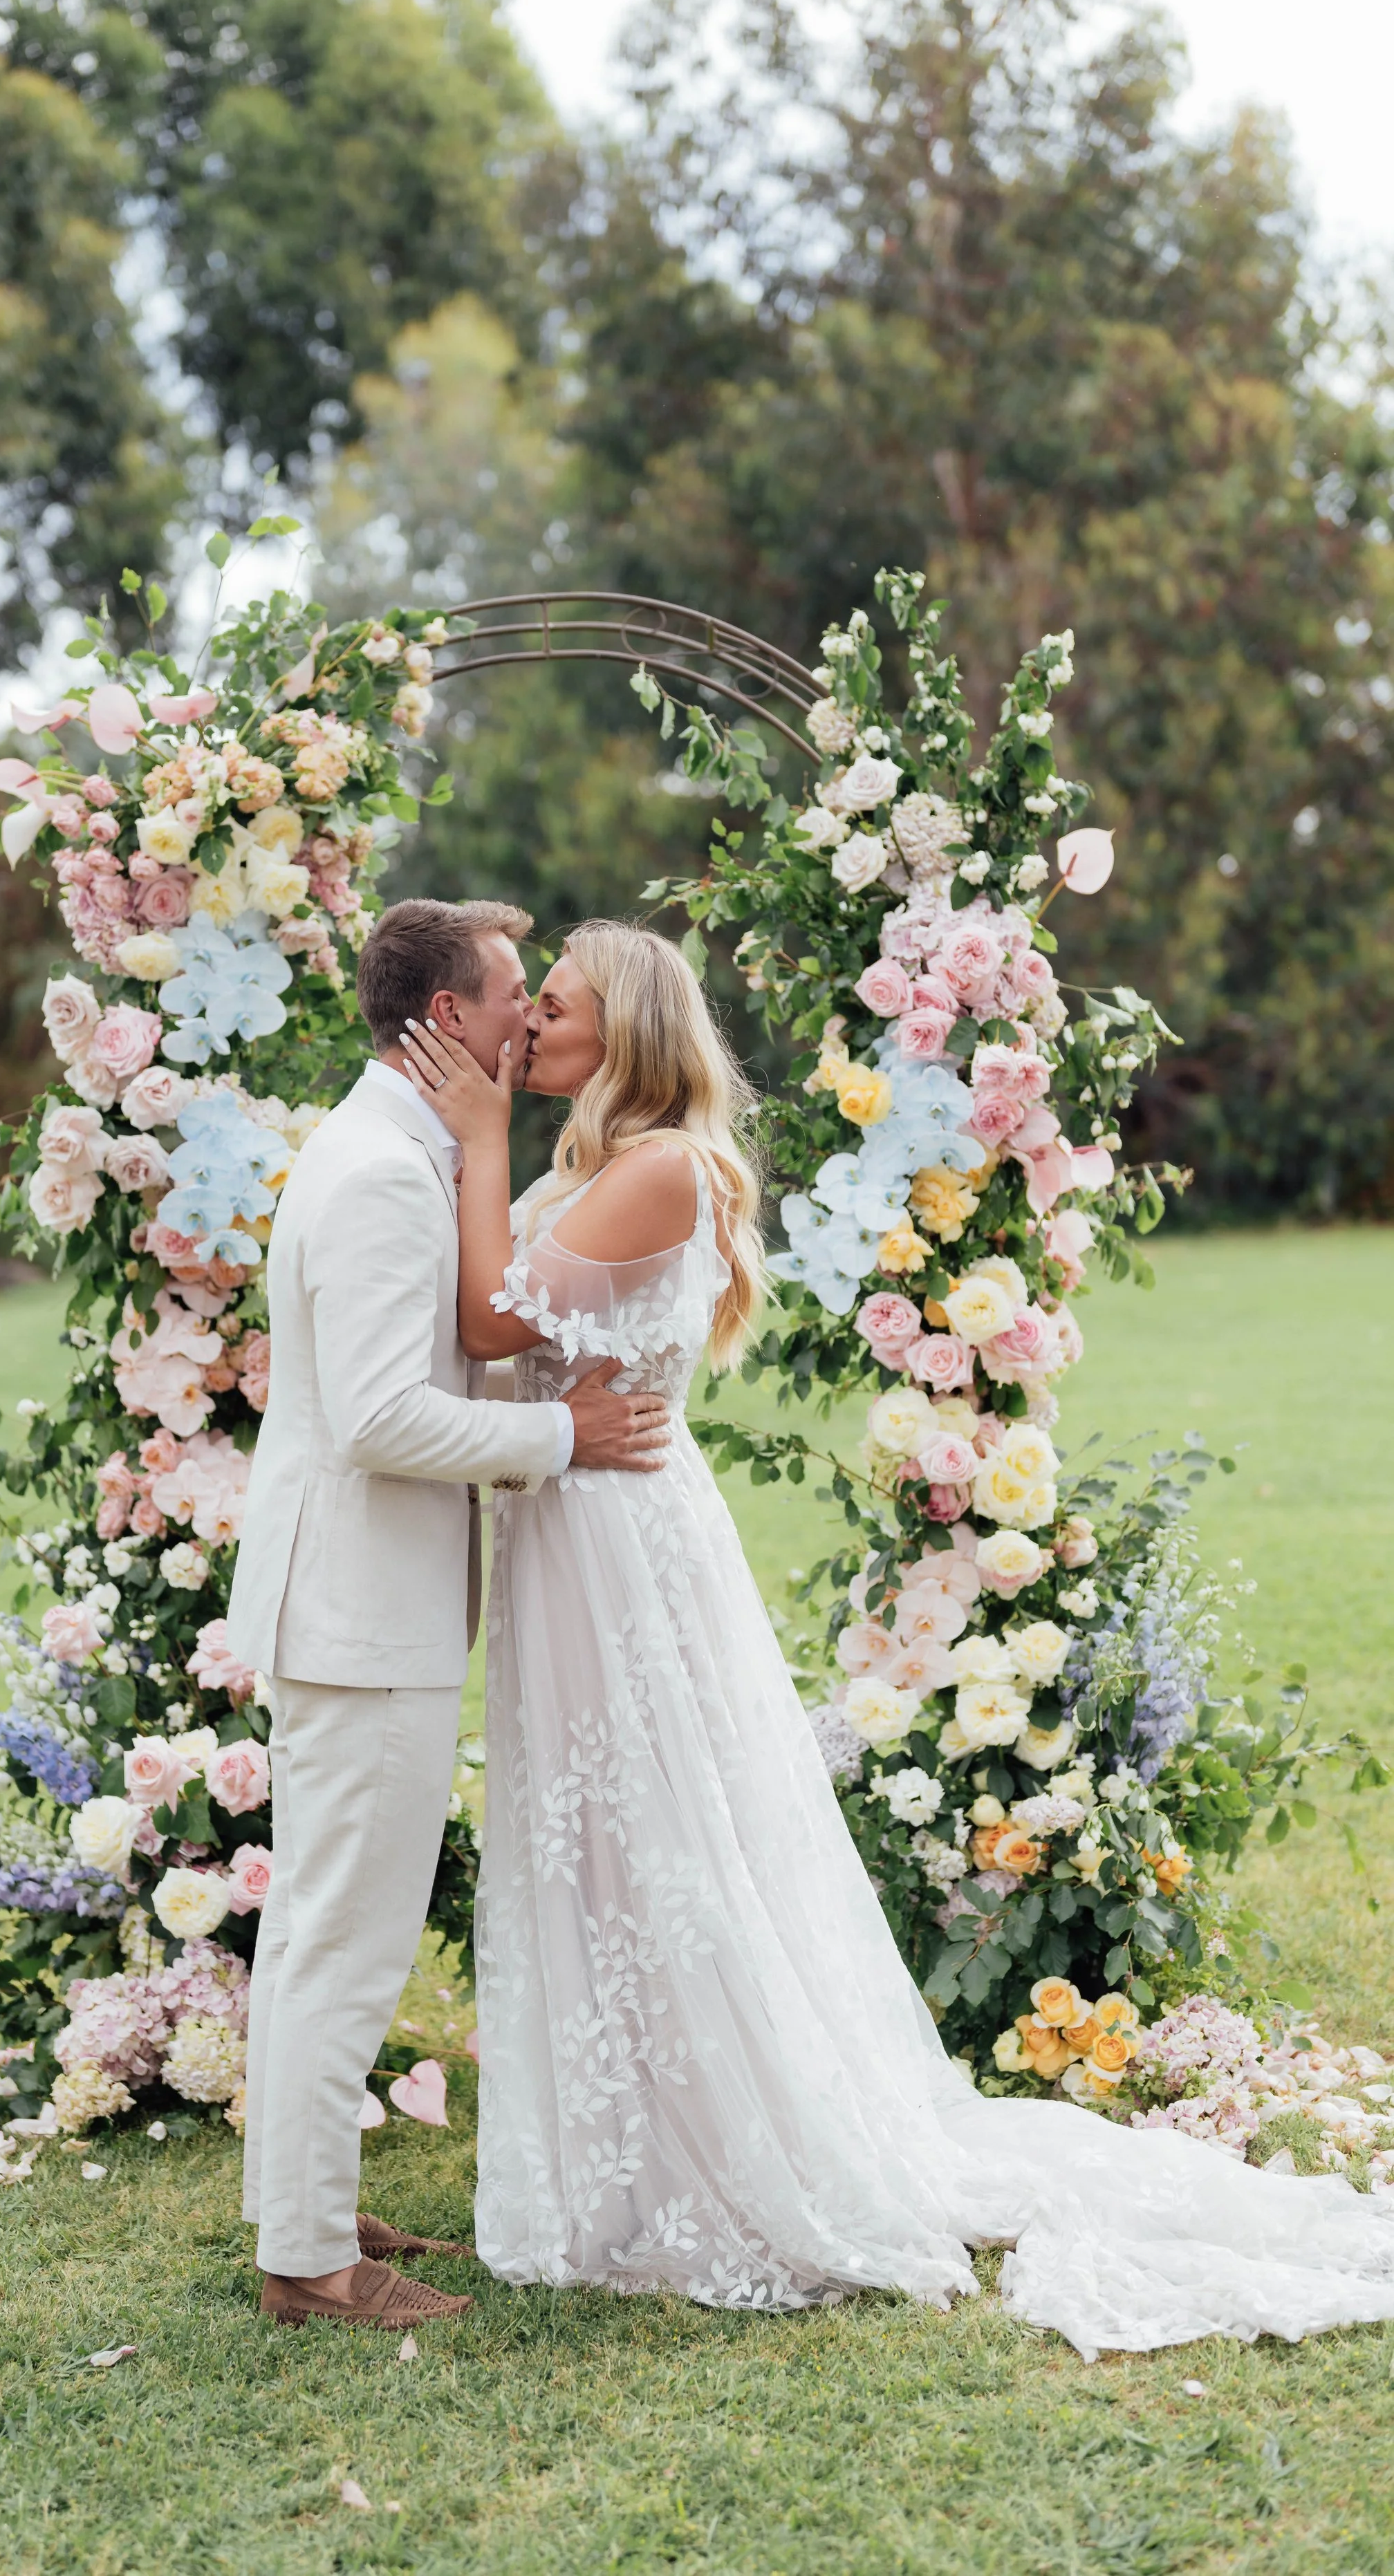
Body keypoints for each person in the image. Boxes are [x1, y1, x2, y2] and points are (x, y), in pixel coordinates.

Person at [399, 918, 1394, 2358]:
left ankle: (728, 2142)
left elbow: (493, 1321)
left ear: (622, 1033)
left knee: (659, 1829)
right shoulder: (589, 1164)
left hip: (618, 1536)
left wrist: (476, 1136)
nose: (525, 1029)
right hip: (572, 1513)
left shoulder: (666, 1163)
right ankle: (627, 2143)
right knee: (595, 1832)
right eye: (528, 1008)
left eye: (551, 1008)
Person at [225, 897, 670, 2331]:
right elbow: (373, 1418)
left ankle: (299, 2199)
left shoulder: (402, 1151)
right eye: (509, 996)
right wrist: (562, 1442)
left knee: (322, 1926)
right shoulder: (377, 1175)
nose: (526, 1019)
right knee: (344, 1937)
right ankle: (309, 2265)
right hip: (357, 1617)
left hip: (363, 1608)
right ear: (445, 1022)